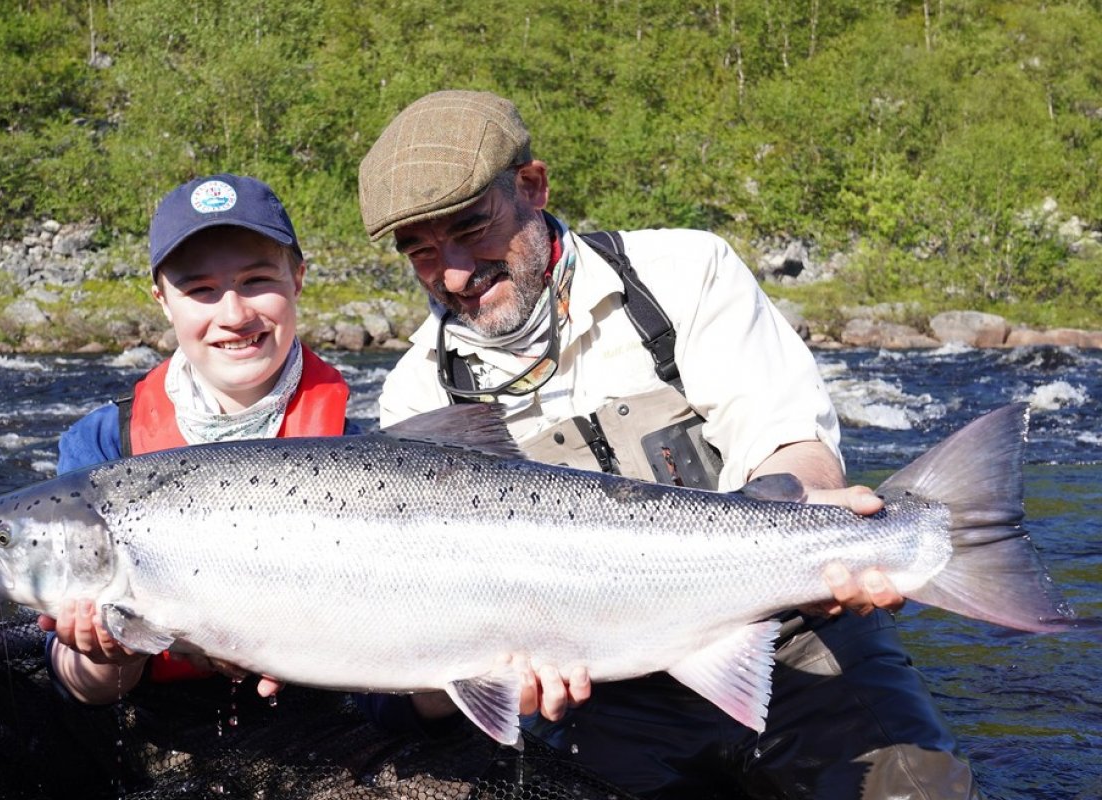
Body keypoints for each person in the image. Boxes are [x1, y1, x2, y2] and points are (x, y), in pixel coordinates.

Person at [355, 90, 978, 799]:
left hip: (794, 640)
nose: (456, 273)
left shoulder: (683, 272)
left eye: (473, 229)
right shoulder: (418, 394)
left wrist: (816, 514)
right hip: (610, 692)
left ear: (532, 186)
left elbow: (785, 440)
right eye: (422, 252)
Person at [38, 173, 350, 703]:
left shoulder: (359, 444)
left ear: (297, 279)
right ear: (163, 301)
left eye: (256, 280)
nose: (234, 315)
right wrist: (107, 656)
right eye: (200, 290)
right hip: (161, 723)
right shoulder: (103, 447)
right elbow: (84, 690)